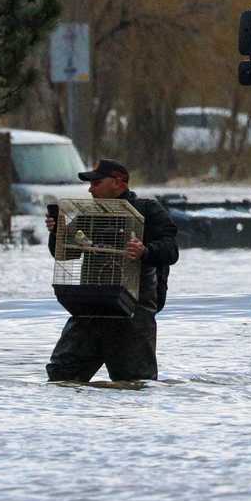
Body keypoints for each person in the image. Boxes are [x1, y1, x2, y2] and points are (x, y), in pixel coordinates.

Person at [44, 159, 178, 382]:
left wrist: (145, 251)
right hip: (90, 307)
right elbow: (65, 254)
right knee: (61, 377)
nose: (90, 188)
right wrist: (57, 233)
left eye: (96, 182)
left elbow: (171, 250)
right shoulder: (87, 213)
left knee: (135, 383)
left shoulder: (148, 209)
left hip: (132, 312)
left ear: (118, 182)